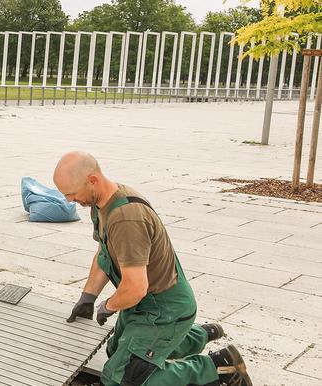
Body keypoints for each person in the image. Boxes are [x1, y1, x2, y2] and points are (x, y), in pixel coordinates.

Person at [54, 151, 251, 386]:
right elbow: (103, 253)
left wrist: (107, 306)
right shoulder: (101, 203)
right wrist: (88, 296)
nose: (70, 201)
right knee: (114, 349)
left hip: (164, 310)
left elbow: (135, 288)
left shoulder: (127, 220)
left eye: (72, 194)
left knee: (120, 377)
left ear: (93, 180)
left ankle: (220, 368)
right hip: (144, 306)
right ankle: (195, 336)